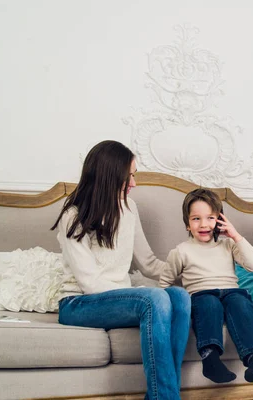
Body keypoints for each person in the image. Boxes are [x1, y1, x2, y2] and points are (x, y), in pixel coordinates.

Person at [52, 140, 190, 400]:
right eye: (129, 177)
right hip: (78, 303)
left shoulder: (129, 208)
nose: (134, 184)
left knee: (180, 297)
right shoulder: (74, 215)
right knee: (155, 298)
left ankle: (162, 395)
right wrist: (138, 295)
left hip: (118, 299)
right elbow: (90, 284)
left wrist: (189, 274)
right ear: (109, 176)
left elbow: (148, 263)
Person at [159, 188, 253, 384]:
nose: (204, 224)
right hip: (202, 294)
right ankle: (210, 358)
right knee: (210, 304)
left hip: (231, 292)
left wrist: (235, 236)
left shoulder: (229, 245)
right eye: (196, 219)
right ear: (187, 224)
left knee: (241, 304)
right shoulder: (181, 251)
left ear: (220, 219)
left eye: (210, 218)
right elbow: (165, 282)